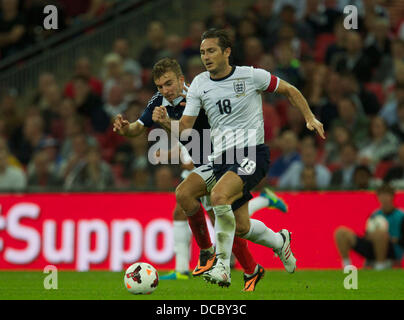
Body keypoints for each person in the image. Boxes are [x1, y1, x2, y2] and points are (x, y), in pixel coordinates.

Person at [152, 29, 325, 287]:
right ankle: (280, 241)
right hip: (220, 159)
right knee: (218, 212)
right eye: (202, 52)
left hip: (251, 153)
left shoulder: (251, 75)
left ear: (227, 52)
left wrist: (310, 117)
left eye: (211, 51)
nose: (206, 57)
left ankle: (221, 265)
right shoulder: (200, 83)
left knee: (218, 196)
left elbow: (289, 90)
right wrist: (168, 124)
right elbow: (186, 129)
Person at [113, 57, 287, 291]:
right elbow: (137, 128)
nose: (165, 90)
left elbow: (186, 131)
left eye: (169, 84)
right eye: (160, 86)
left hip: (225, 162)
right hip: (204, 165)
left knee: (223, 220)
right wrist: (126, 129)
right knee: (226, 222)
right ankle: (242, 264)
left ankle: (237, 261)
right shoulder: (159, 101)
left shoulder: (199, 94)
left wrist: (167, 125)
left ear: (181, 79)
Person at [334, 184, 404, 270]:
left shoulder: (401, 216)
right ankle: (347, 266)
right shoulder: (375, 215)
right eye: (381, 195)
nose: (384, 198)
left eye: (386, 195)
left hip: (392, 250)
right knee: (341, 232)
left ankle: (380, 266)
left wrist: (393, 239)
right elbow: (367, 234)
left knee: (380, 234)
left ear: (392, 197)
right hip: (373, 246)